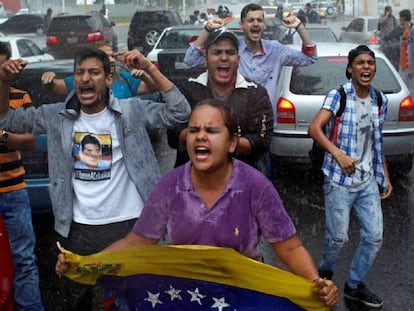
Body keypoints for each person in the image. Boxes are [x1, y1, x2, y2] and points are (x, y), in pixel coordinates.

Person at [56, 100, 339, 309]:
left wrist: (316, 285)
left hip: (241, 294)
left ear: (231, 143)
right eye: (193, 130)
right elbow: (135, 243)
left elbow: (289, 247)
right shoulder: (170, 186)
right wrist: (85, 264)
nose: (200, 136)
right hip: (181, 296)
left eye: (211, 130)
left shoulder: (255, 186)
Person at [0, 47, 190, 310]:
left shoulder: (130, 110)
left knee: (131, 301)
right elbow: (8, 119)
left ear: (108, 79)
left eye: (94, 72)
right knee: (77, 302)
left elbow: (180, 111)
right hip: (77, 228)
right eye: (79, 73)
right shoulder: (57, 116)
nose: (85, 78)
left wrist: (148, 67)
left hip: (130, 226)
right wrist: (3, 81)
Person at [308, 45, 393, 308]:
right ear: (350, 68)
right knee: (338, 237)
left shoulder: (380, 100)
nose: (366, 67)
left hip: (367, 181)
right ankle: (324, 274)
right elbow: (314, 128)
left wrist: (385, 177)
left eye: (370, 63)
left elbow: (377, 143)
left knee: (374, 237)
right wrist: (338, 154)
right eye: (360, 63)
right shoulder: (339, 95)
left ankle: (354, 285)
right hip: (338, 181)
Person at [168, 28, 273, 174]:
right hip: (192, 179)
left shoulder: (256, 93)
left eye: (230, 52)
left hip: (242, 179)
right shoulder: (187, 90)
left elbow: (262, 141)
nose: (224, 58)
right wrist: (220, 141)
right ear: (205, 59)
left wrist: (216, 142)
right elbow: (173, 135)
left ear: (238, 58)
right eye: (217, 52)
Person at [184, 3, 317, 111]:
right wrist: (207, 30)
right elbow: (191, 60)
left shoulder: (276, 50)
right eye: (250, 20)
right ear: (241, 25)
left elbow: (309, 58)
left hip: (265, 121)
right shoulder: (232, 50)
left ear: (264, 25)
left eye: (259, 20)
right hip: (234, 119)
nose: (255, 24)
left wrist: (299, 27)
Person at [0, 42, 45, 311]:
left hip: (14, 190)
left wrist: (4, 136)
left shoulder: (19, 96)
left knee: (24, 259)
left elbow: (29, 141)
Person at [41, 42, 158, 99]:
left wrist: (145, 73)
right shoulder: (82, 81)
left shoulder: (125, 78)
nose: (111, 60)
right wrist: (49, 78)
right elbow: (54, 87)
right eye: (106, 57)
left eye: (113, 56)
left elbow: (153, 88)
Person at [398, 9, 414, 97]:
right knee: (403, 91)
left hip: (409, 68)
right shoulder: (404, 31)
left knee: (411, 91)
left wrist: (412, 68)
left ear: (403, 18)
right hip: (402, 66)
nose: (399, 20)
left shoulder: (412, 31)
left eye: (400, 17)